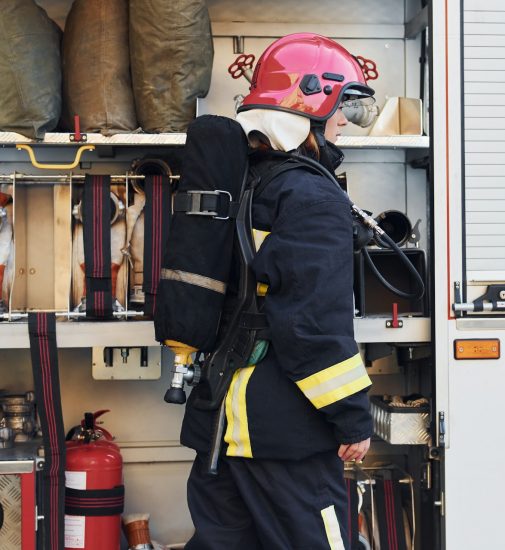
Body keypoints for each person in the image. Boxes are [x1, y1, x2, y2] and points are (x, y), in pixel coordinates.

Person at [181, 33, 374, 550]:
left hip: (221, 427)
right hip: (283, 437)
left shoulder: (244, 181)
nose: (343, 124)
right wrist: (352, 416)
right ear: (311, 103)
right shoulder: (312, 196)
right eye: (341, 109)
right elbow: (311, 325)